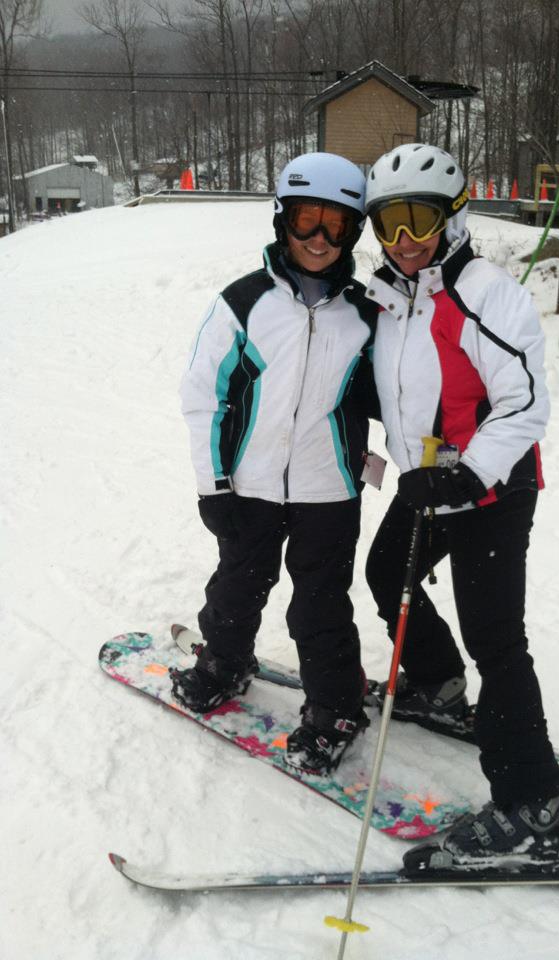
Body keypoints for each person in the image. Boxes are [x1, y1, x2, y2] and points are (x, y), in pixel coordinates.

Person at [363, 143, 559, 868]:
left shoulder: (484, 294)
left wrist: (468, 474)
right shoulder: (388, 299)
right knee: (387, 576)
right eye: (387, 225)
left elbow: (525, 403)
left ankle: (530, 802)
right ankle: (436, 682)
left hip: (492, 491)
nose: (404, 241)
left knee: (496, 638)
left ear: (452, 217)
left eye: (418, 220)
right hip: (428, 482)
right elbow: (383, 385)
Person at [173, 152, 377, 777]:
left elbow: (404, 392)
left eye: (335, 225)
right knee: (238, 583)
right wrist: (215, 485)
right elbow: (203, 395)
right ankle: (225, 662)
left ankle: (336, 707)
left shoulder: (366, 315)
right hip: (251, 486)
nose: (318, 238)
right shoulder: (243, 303)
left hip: (329, 490)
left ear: (352, 233)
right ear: (282, 221)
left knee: (319, 604)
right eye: (306, 221)